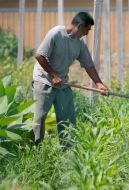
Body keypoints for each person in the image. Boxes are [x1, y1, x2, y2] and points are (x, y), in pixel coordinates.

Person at [32, 12, 107, 148]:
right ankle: (36, 151)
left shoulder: (79, 44)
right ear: (79, 26)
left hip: (62, 83)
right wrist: (53, 75)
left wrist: (99, 84)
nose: (88, 33)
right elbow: (40, 56)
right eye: (87, 29)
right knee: (39, 118)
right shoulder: (56, 33)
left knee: (68, 119)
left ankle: (68, 152)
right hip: (43, 80)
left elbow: (89, 65)